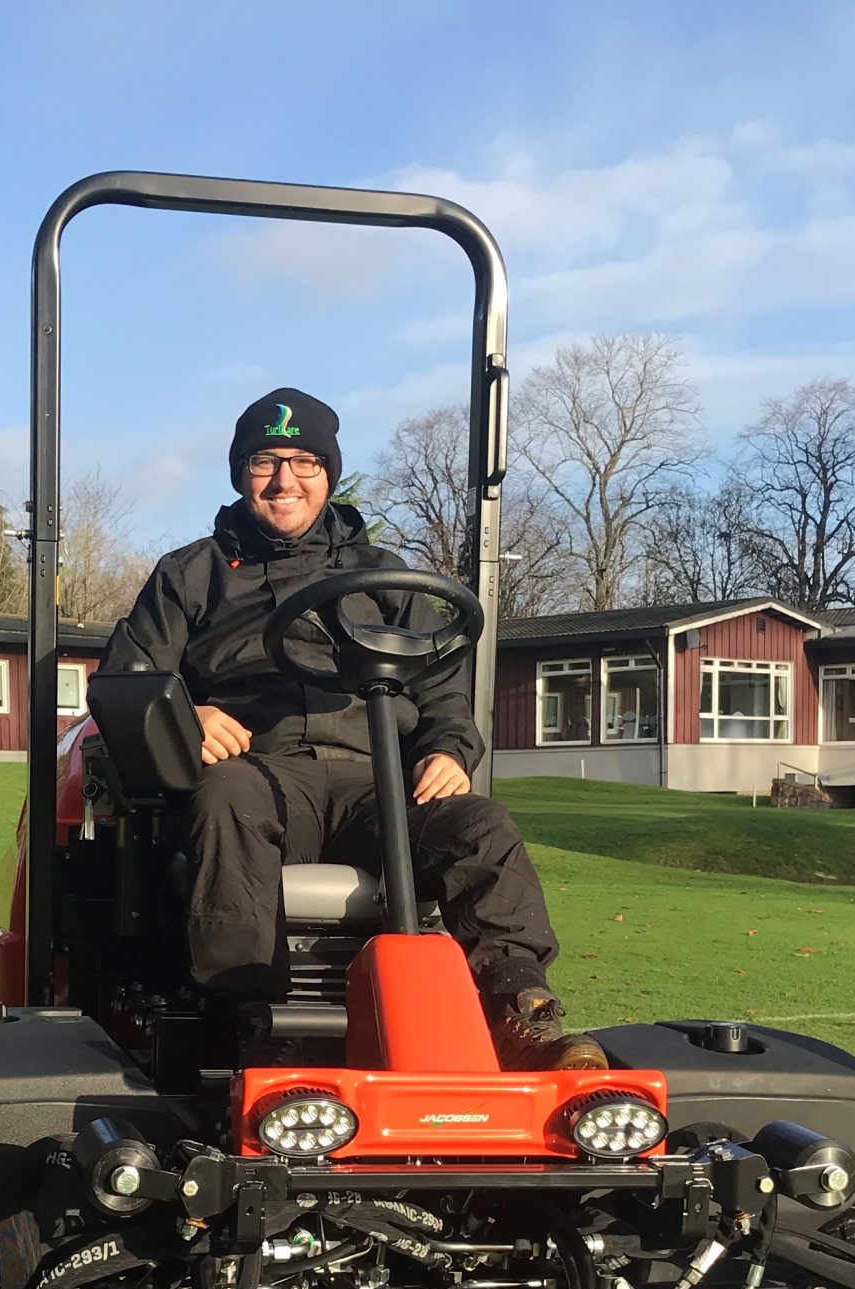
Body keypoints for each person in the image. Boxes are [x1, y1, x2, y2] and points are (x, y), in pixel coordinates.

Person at [99, 387, 601, 1070]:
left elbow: (444, 692)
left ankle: (519, 1013)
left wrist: (450, 751)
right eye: (264, 462)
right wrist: (187, 713)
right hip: (263, 772)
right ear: (239, 472)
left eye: (305, 462)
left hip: (379, 782)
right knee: (226, 800)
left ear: (329, 472)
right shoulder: (193, 574)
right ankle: (249, 1023)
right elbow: (126, 680)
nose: (285, 481)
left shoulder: (385, 577)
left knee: (481, 825)